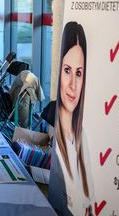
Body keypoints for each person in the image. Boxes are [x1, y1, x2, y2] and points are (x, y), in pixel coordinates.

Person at [47, 21, 94, 216]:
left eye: (79, 73)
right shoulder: (59, 137)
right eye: (67, 70)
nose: (73, 85)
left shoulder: (83, 138)